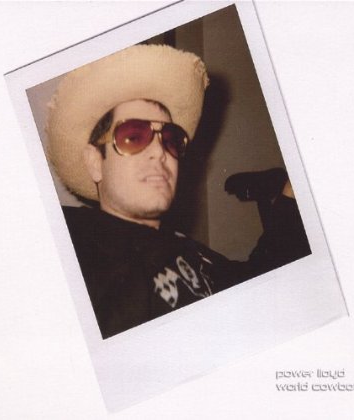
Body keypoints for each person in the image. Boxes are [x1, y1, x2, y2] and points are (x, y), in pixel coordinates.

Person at [46, 44, 310, 339]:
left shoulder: (190, 251)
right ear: (95, 162)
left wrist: (292, 194)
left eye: (170, 138)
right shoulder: (72, 247)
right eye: (134, 136)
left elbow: (261, 282)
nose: (160, 152)